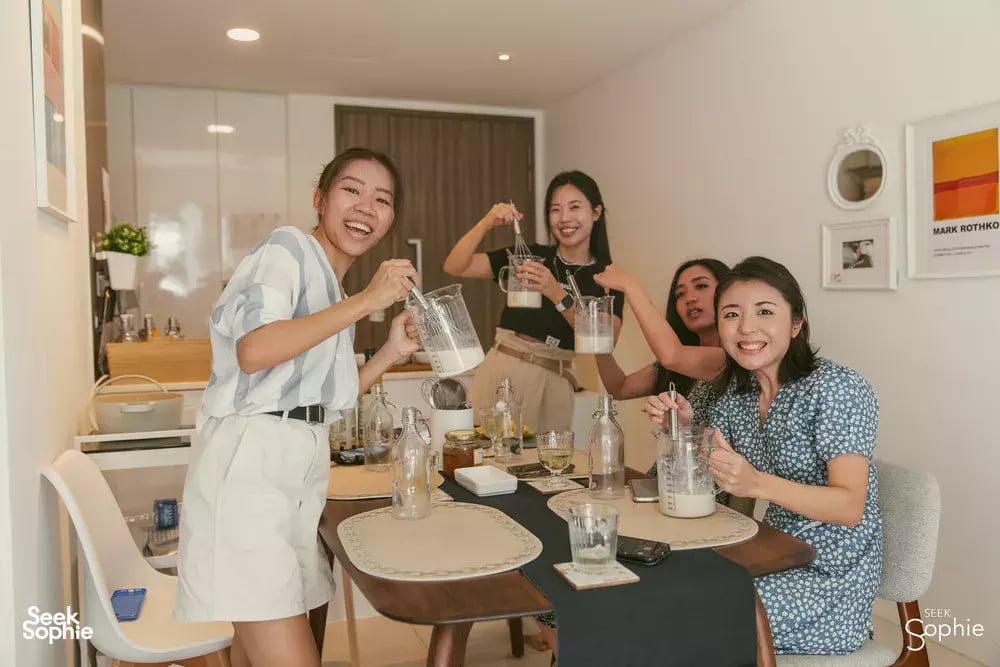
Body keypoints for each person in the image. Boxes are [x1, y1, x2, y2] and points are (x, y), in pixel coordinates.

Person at [175, 147, 422, 667]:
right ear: (319, 199)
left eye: (382, 200)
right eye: (351, 190)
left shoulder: (329, 284)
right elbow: (254, 350)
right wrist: (368, 301)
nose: (366, 207)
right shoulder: (286, 249)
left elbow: (324, 401)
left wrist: (390, 352)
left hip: (290, 478)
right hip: (249, 481)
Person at [648, 256, 882, 655]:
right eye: (731, 314)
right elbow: (706, 465)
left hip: (830, 582)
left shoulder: (835, 387)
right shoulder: (735, 394)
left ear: (796, 323)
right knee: (649, 595)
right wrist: (683, 427)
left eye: (765, 312)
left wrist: (756, 483)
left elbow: (849, 507)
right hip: (769, 557)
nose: (746, 328)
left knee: (680, 618)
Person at [443, 170, 625, 433]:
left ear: (596, 212)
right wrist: (486, 223)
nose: (564, 218)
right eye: (555, 210)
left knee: (543, 456)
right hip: (502, 368)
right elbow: (455, 265)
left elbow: (607, 340)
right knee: (483, 451)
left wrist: (555, 292)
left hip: (554, 378)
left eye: (575, 207)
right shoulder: (529, 256)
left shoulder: (607, 276)